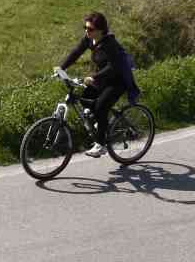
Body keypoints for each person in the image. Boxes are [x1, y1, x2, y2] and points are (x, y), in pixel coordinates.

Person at [56, 12, 142, 158]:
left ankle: (101, 144)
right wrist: (61, 68)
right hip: (102, 79)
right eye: (85, 28)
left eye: (90, 29)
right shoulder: (90, 39)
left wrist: (93, 77)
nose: (86, 31)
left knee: (101, 107)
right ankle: (102, 124)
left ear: (100, 30)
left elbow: (113, 67)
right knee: (85, 98)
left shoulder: (110, 44)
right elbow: (76, 52)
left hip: (118, 80)